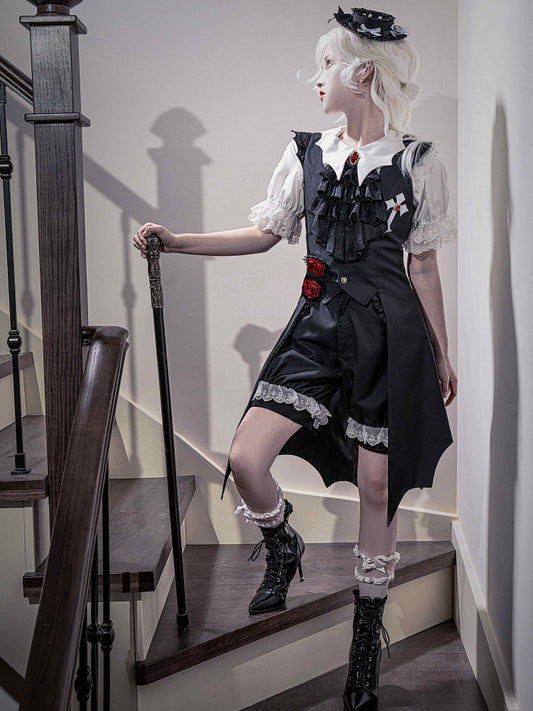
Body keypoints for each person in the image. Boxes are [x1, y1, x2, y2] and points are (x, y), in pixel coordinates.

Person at [133, 6, 457, 709]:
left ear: (361, 73)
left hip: (389, 337)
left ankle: (364, 647)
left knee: (377, 488)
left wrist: (441, 351)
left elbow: (424, 263)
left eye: (326, 64)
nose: (316, 77)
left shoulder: (416, 161)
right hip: (317, 325)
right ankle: (283, 544)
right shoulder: (305, 153)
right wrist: (177, 241)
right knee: (247, 457)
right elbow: (263, 234)